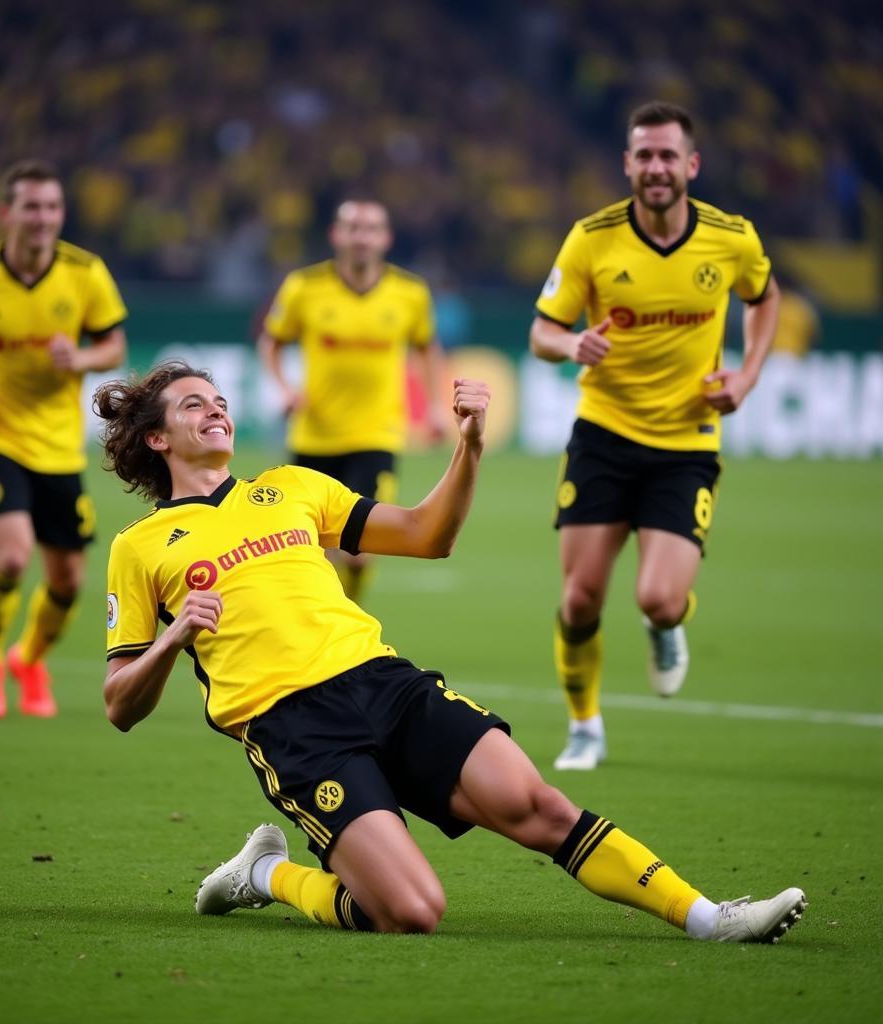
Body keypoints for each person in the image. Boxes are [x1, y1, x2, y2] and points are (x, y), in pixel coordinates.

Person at [95, 360, 805, 942]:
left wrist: (469, 445)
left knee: (540, 806)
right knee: (410, 912)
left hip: (383, 683)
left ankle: (710, 917)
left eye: (219, 400)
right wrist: (172, 637)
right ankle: (267, 876)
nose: (216, 409)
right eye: (193, 405)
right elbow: (119, 703)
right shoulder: (140, 548)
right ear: (156, 439)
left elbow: (427, 536)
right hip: (297, 731)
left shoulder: (291, 488)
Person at [529, 101, 780, 771]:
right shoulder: (592, 237)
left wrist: (749, 376)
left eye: (669, 155)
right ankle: (585, 727)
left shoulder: (731, 238)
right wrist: (570, 342)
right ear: (628, 165)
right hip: (604, 435)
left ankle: (667, 629)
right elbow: (540, 332)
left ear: (691, 164)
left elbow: (764, 297)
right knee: (580, 599)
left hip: (687, 441)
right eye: (645, 155)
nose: (657, 167)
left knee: (659, 599)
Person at [0, 159, 128, 719]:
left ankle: (29, 659)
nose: (43, 218)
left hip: (59, 444)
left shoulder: (85, 273)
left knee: (68, 579)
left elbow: (113, 344)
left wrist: (81, 356)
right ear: (7, 212)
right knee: (12, 559)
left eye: (53, 207)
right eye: (32, 207)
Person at [256, 199, 448, 604]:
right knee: (314, 549)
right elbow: (270, 342)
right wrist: (284, 388)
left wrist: (433, 406)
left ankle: (349, 612)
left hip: (376, 436)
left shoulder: (410, 293)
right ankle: (323, 623)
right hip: (314, 437)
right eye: (352, 227)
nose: (361, 237)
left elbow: (428, 349)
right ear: (336, 235)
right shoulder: (303, 287)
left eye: (371, 229)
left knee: (359, 551)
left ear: (386, 238)